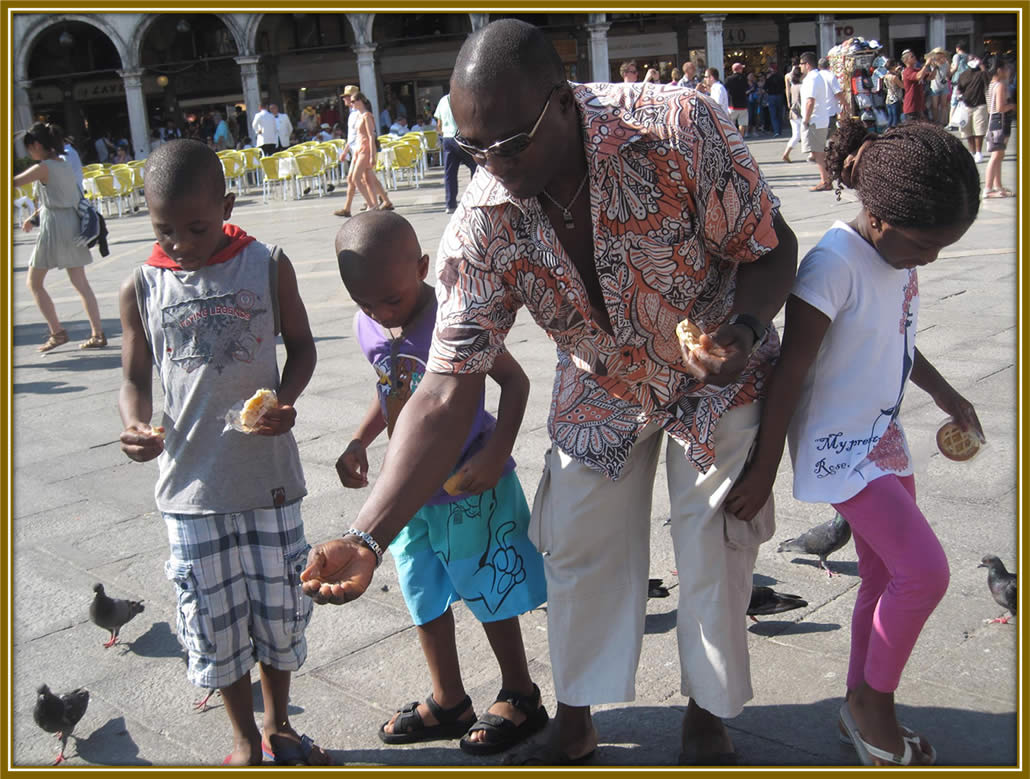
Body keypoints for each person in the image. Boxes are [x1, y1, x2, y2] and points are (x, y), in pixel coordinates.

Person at [300, 18, 798, 767]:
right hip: (601, 376)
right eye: (475, 149)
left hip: (715, 367)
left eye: (511, 142)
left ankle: (707, 711)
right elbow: (445, 389)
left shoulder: (678, 124)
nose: (494, 165)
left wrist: (745, 328)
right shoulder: (483, 220)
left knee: (713, 545)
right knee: (576, 541)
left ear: (563, 103)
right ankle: (577, 713)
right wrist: (368, 533)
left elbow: (771, 246)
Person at [725, 117, 983, 767]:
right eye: (926, 246)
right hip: (841, 449)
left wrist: (947, 394)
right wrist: (762, 469)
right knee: (924, 572)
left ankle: (857, 704)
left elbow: (897, 335)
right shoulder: (832, 264)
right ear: (882, 213)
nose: (930, 259)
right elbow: (789, 374)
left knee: (881, 574)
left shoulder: (895, 252)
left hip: (881, 434)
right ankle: (874, 704)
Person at [117, 139, 328, 767]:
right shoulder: (143, 284)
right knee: (214, 623)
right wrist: (133, 422)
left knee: (279, 612)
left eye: (196, 226)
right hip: (191, 491)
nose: (180, 241)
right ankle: (242, 737)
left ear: (226, 205)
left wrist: (285, 401)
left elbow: (304, 347)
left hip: (268, 483)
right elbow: (133, 376)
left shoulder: (266, 264)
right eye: (165, 229)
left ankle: (279, 723)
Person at [333, 210, 549, 756]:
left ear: (422, 268)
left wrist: (498, 451)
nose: (380, 314)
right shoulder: (372, 323)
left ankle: (521, 692)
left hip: (469, 482)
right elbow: (391, 389)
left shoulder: (456, 319)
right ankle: (449, 699)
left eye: (392, 300)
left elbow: (515, 382)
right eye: (365, 304)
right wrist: (361, 438)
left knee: (488, 591)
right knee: (421, 592)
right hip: (411, 492)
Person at [14, 122, 106, 352]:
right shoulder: (64, 163)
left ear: (36, 145)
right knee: (81, 283)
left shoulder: (43, 167)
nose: (29, 153)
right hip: (72, 223)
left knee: (34, 283)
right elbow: (61, 196)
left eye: (29, 148)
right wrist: (34, 217)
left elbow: (13, 183)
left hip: (54, 226)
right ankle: (98, 333)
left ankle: (57, 332)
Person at [333, 93, 393, 217]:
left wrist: (372, 155)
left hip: (365, 150)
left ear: (361, 101)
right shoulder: (359, 116)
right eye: (351, 101)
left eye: (354, 101)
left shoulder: (366, 116)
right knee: (368, 179)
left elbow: (371, 136)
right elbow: (355, 137)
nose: (351, 103)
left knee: (356, 178)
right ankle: (375, 204)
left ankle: (371, 204)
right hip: (359, 149)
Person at [435, 91, 477, 215]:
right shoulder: (464, 97)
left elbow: (439, 125)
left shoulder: (442, 101)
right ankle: (474, 198)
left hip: (448, 139)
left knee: (450, 173)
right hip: (461, 137)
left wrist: (444, 133)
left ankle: (450, 204)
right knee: (475, 166)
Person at [983, 56, 1017, 198]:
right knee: (996, 155)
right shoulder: (1000, 85)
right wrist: (1014, 106)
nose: (1009, 71)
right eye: (1006, 68)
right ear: (1000, 70)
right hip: (1000, 122)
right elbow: (1000, 107)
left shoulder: (992, 84)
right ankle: (988, 188)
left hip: (996, 122)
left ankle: (998, 185)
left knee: (999, 155)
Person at [800, 52, 832, 191]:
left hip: (815, 120)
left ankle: (825, 180)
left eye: (801, 64)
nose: (799, 67)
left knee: (818, 152)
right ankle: (826, 179)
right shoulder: (817, 77)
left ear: (807, 65)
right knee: (817, 151)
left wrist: (806, 120)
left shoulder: (811, 79)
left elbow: (810, 101)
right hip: (820, 118)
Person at [958, 57, 988, 162]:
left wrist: (981, 65)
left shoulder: (981, 73)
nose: (973, 61)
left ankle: (979, 152)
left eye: (974, 59)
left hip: (980, 105)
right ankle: (972, 151)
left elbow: (988, 79)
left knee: (979, 130)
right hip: (966, 105)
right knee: (967, 131)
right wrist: (959, 97)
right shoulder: (963, 75)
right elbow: (959, 88)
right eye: (971, 59)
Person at [818, 57, 846, 139]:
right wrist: (845, 103)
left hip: (818, 111)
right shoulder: (831, 76)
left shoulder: (816, 77)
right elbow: (837, 93)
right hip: (830, 110)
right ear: (829, 66)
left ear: (819, 66)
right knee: (832, 135)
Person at [901, 49, 932, 122]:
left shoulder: (917, 70)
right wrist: (926, 65)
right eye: (912, 56)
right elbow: (918, 76)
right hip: (911, 106)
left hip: (920, 105)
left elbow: (931, 77)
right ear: (906, 60)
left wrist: (936, 66)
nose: (915, 57)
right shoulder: (907, 71)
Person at [781, 66, 805, 162]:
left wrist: (788, 103)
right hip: (801, 112)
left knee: (796, 134)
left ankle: (786, 153)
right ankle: (812, 154)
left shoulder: (793, 87)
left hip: (793, 112)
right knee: (804, 134)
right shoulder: (802, 87)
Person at [925, 48, 951, 125]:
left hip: (944, 86)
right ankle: (935, 121)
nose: (940, 57)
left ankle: (943, 122)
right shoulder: (932, 64)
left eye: (941, 55)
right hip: (935, 86)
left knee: (944, 105)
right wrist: (935, 67)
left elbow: (949, 74)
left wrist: (947, 76)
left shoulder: (946, 64)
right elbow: (930, 77)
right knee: (935, 106)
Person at [725, 63, 750, 137]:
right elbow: (747, 88)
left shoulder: (729, 79)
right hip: (743, 105)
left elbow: (725, 89)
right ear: (739, 69)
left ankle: (732, 137)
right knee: (742, 123)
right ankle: (741, 138)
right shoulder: (744, 78)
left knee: (731, 123)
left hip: (732, 104)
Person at [764, 61, 785, 136]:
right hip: (780, 95)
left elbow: (765, 87)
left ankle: (776, 131)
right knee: (779, 114)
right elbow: (784, 87)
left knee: (773, 114)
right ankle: (779, 130)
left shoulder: (769, 78)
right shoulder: (781, 76)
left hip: (771, 96)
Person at [882, 60, 904, 128]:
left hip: (888, 98)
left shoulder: (885, 76)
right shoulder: (894, 77)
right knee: (896, 119)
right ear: (893, 66)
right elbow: (903, 86)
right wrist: (902, 75)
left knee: (890, 119)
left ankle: (887, 132)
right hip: (895, 98)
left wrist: (896, 71)